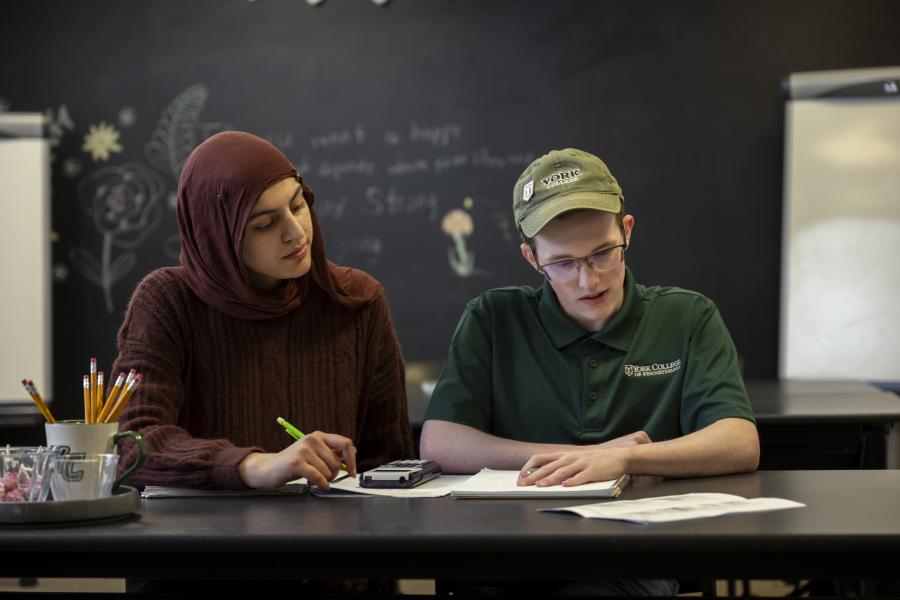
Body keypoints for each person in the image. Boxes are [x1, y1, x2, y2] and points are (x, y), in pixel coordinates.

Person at [420, 148, 759, 596]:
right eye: (563, 263)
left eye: (603, 253)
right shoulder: (493, 318)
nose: (589, 280)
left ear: (628, 231)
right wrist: (587, 457)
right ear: (531, 258)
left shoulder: (687, 316)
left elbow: (739, 440)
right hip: (506, 551)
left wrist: (624, 458)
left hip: (629, 555)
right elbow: (441, 441)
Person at [113, 131, 412, 595]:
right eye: (264, 223)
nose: (296, 231)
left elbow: (386, 462)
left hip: (329, 570)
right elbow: (133, 444)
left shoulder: (355, 301)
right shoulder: (168, 302)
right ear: (220, 235)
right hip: (196, 571)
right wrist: (253, 466)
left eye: (298, 204)